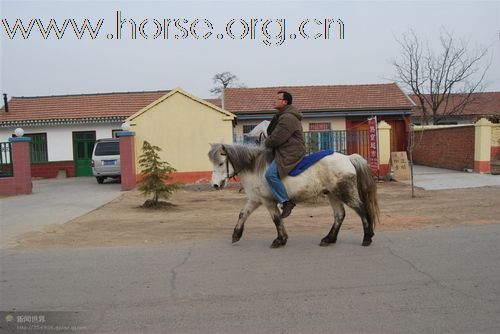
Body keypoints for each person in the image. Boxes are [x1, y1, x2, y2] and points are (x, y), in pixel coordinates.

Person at [264, 91, 306, 219]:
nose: (274, 101)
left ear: (285, 102)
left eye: (277, 99)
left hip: (290, 151)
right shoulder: (282, 115)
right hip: (284, 149)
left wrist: (265, 142)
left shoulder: (287, 117)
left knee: (270, 174)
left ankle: (286, 202)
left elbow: (276, 139)